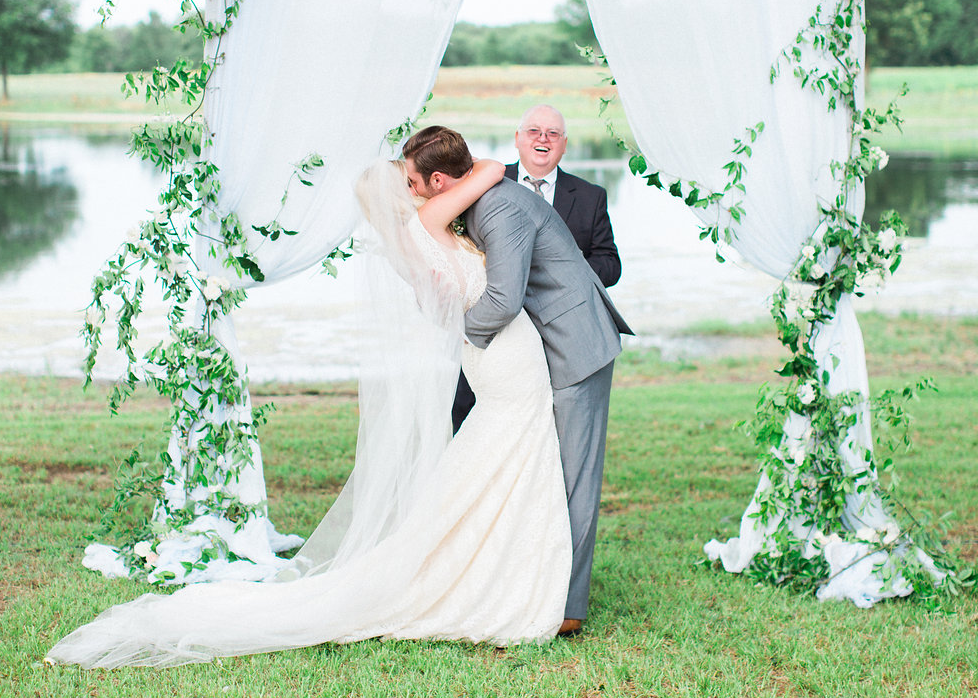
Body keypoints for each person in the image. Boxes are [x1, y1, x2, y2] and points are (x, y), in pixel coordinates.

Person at [45, 151, 573, 668]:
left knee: (498, 463)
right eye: (408, 182)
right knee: (508, 457)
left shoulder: (408, 240)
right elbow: (494, 170)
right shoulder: (425, 226)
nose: (418, 188)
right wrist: (447, 167)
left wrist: (432, 171)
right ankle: (494, 583)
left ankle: (489, 570)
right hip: (504, 359)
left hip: (497, 360)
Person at [404, 126, 632, 639]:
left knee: (575, 476)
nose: (411, 193)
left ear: (440, 181)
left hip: (577, 346)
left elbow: (504, 300)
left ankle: (569, 607)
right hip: (544, 347)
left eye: (414, 183)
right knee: (543, 468)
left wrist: (458, 333)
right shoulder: (482, 196)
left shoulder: (499, 208)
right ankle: (530, 577)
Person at [452, 104, 621, 432]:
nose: (543, 138)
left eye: (553, 133)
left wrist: (560, 277)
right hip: (496, 327)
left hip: (561, 337)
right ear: (517, 139)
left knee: (546, 425)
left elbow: (610, 264)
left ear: (564, 144)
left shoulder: (590, 196)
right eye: (534, 131)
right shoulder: (483, 187)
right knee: (469, 412)